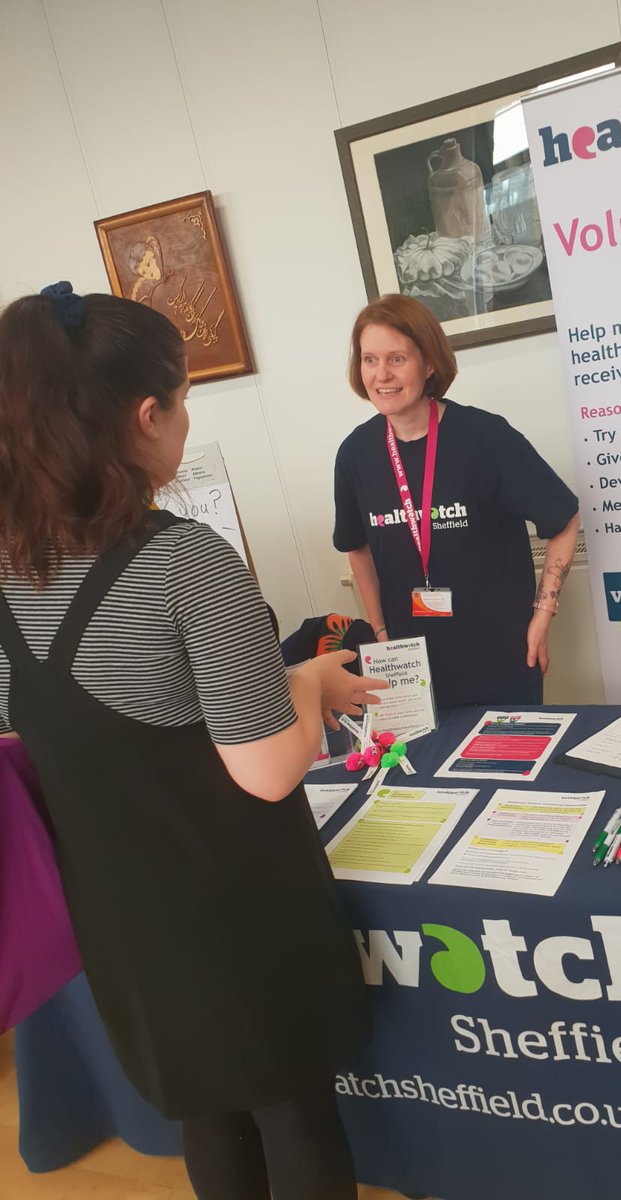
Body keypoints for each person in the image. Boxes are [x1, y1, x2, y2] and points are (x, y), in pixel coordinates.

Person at [0, 282, 387, 1200]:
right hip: (235, 913)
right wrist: (307, 681)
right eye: (181, 399)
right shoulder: (185, 561)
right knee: (293, 1116)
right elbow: (266, 770)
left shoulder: (9, 567)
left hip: (120, 922)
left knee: (205, 1116)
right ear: (145, 416)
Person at [333, 294, 580, 707]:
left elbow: (564, 518)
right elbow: (357, 549)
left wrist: (542, 615)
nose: (381, 375)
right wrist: (379, 632)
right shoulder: (355, 454)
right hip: (409, 668)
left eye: (397, 359)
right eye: (369, 359)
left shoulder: (486, 438)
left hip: (500, 659)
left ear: (429, 363)